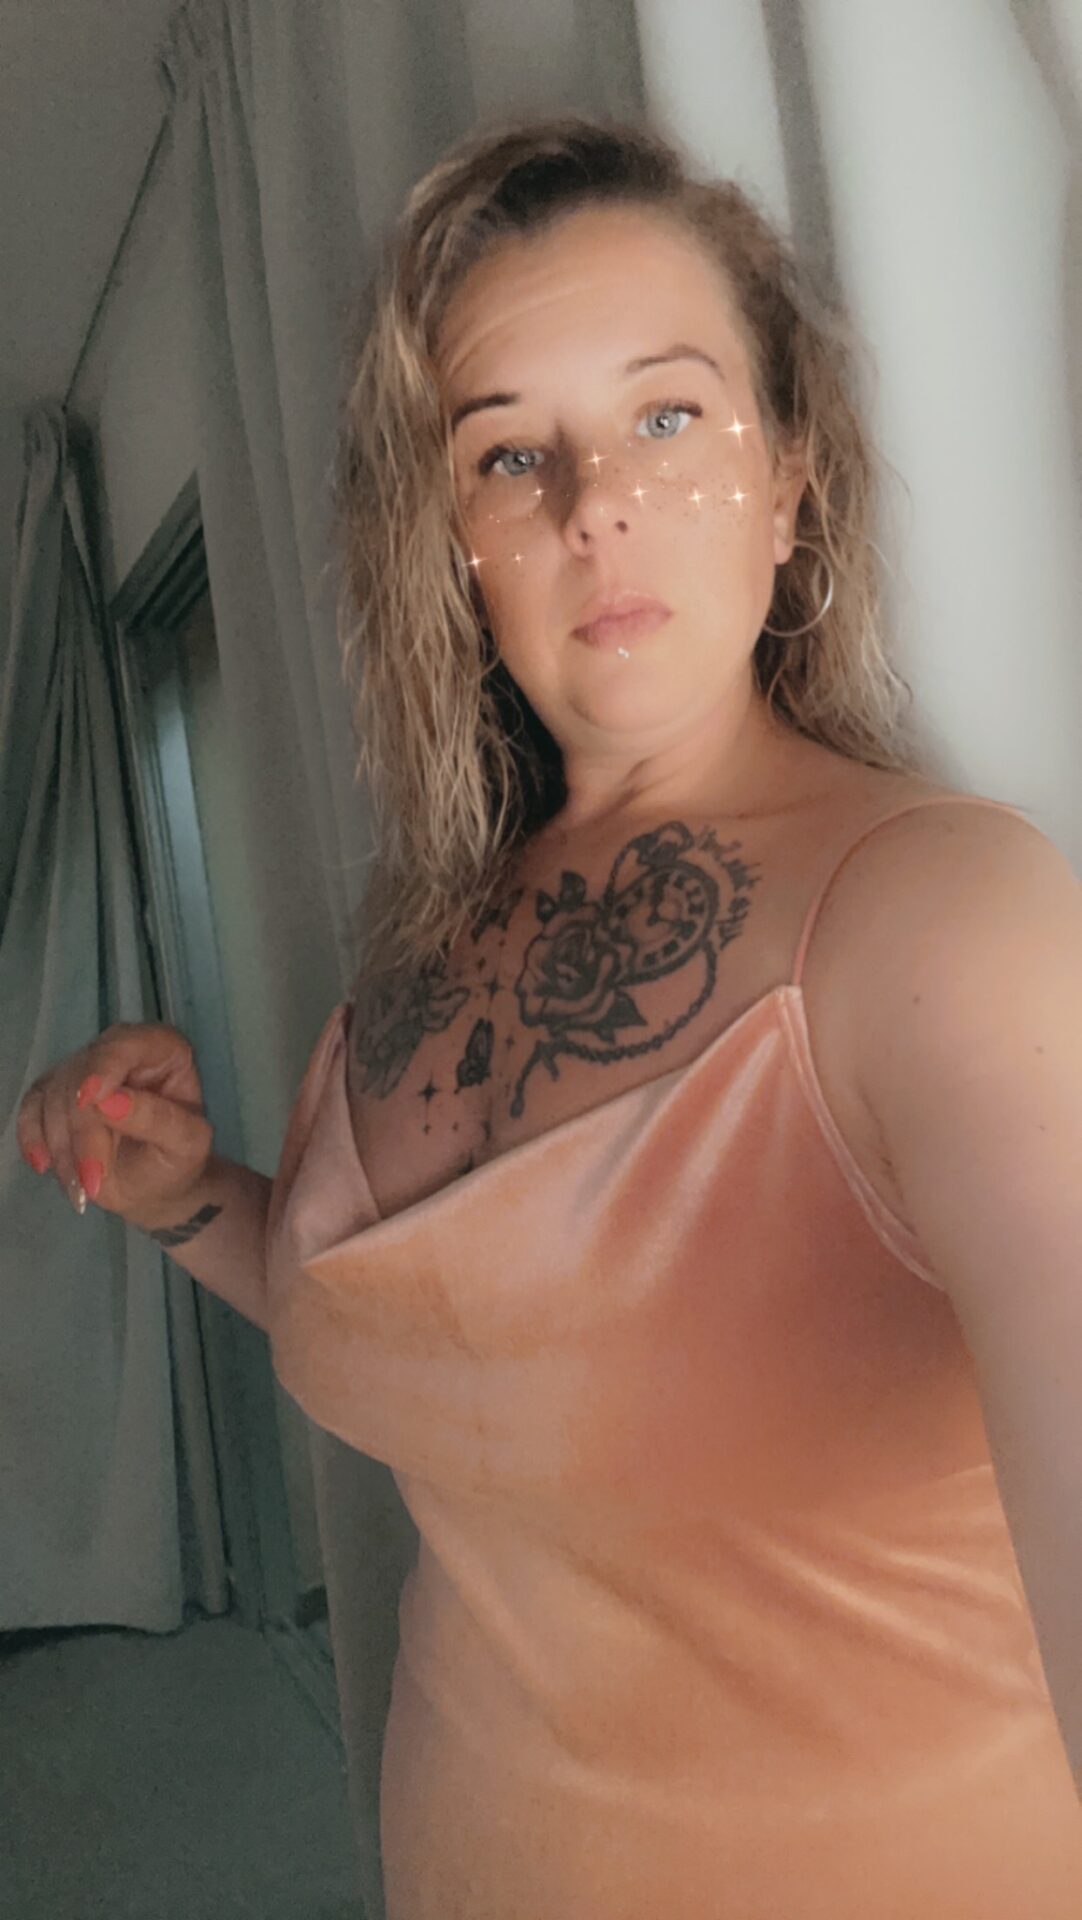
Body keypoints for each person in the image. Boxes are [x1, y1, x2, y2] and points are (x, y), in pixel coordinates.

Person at [19, 115, 1082, 1917]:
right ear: (452, 545)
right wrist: (189, 1200)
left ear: (790, 478)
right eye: (509, 453)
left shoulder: (944, 921)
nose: (593, 499)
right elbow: (458, 1344)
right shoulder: (418, 941)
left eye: (667, 416)